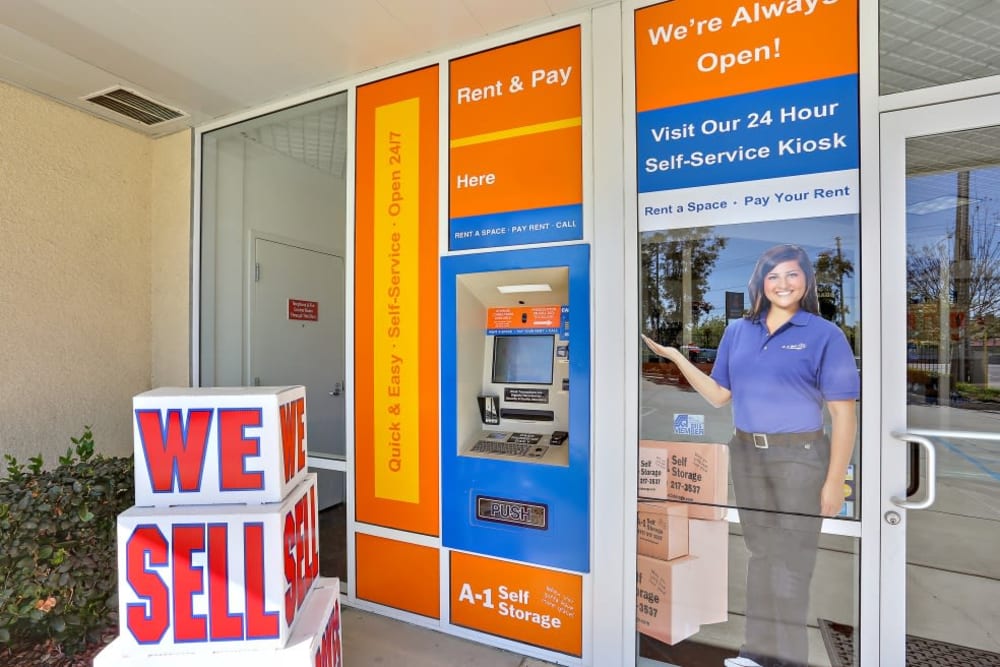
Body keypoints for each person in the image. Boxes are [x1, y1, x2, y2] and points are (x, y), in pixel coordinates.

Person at [642, 244, 859, 667]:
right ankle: (756, 655)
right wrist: (673, 359)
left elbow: (843, 414)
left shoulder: (824, 334)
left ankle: (787, 660)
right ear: (760, 282)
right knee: (762, 557)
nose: (782, 284)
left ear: (807, 281)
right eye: (773, 276)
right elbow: (720, 396)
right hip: (746, 453)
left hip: (801, 457)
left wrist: (834, 480)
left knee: (792, 565)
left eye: (792, 275)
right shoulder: (737, 332)